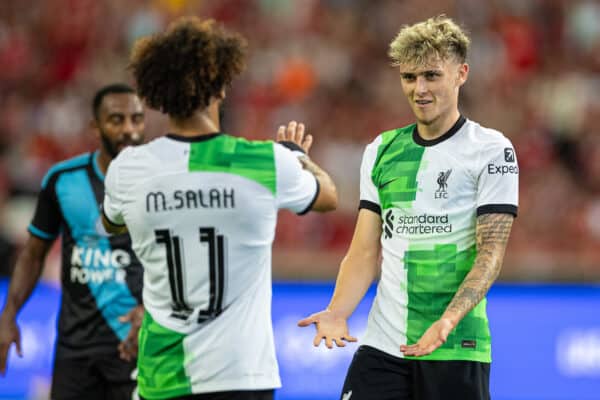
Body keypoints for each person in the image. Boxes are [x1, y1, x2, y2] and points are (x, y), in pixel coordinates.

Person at [101, 17, 338, 400]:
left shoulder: (128, 169)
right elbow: (329, 196)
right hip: (241, 375)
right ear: (221, 87)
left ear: (156, 92)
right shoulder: (266, 162)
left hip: (163, 378)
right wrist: (297, 158)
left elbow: (112, 224)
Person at [298, 15, 518, 400]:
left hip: (456, 345)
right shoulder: (381, 150)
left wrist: (448, 319)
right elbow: (364, 251)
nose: (420, 89)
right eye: (409, 77)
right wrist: (337, 311)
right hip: (384, 343)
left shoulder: (491, 150)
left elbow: (491, 253)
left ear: (461, 74)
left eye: (432, 76)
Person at [0, 83, 146, 400]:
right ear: (96, 126)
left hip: (137, 345)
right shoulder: (63, 179)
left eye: (136, 118)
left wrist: (151, 309)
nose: (129, 129)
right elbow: (33, 254)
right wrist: (8, 316)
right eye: (117, 119)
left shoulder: (158, 182)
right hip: (75, 350)